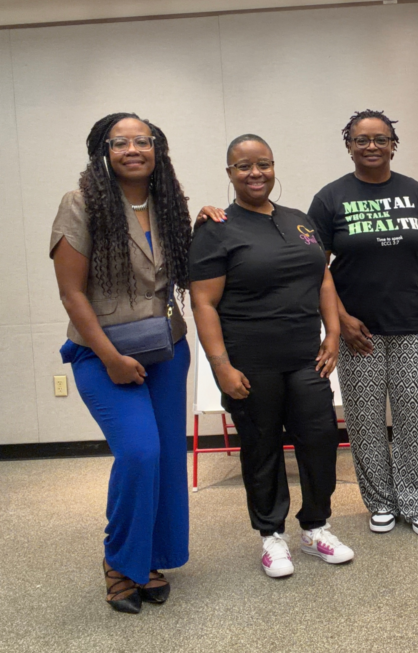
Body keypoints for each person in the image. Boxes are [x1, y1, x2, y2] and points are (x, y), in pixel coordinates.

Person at [190, 134, 353, 579]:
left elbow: (321, 277)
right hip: (249, 360)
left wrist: (333, 331)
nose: (254, 173)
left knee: (319, 440)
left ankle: (316, 527)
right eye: (243, 166)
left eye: (262, 164)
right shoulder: (216, 228)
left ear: (274, 166)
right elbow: (203, 303)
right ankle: (271, 537)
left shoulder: (300, 221)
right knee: (261, 447)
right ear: (230, 174)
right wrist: (220, 365)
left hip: (305, 355)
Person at [51, 112, 193, 613]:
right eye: (120, 142)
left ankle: (149, 558)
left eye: (143, 141)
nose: (133, 149)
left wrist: (218, 219)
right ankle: (119, 561)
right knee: (139, 453)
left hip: (167, 350)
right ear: (102, 151)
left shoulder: (170, 204)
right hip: (103, 352)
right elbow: (71, 294)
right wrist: (110, 358)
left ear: (157, 149)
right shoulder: (80, 203)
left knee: (168, 458)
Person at [306, 110, 418, 538]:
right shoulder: (329, 198)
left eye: (380, 139)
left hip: (410, 324)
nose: (371, 146)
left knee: (412, 416)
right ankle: (380, 501)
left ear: (392, 144)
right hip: (355, 330)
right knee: (365, 418)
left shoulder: (417, 192)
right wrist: (341, 320)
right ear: (348, 144)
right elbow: (316, 268)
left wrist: (396, 273)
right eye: (361, 139)